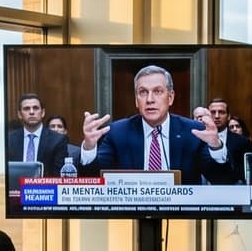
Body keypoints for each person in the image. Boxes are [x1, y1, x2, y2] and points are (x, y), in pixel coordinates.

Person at [76, 66, 232, 183]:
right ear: (136, 100)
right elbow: (94, 180)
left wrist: (216, 147)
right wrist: (89, 148)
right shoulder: (117, 132)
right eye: (143, 92)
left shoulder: (193, 132)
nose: (150, 99)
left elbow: (221, 180)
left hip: (182, 216)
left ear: (170, 98)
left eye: (157, 91)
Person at [5, 92, 68, 179]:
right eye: (26, 109)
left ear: (42, 113)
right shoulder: (9, 139)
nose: (31, 112)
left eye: (35, 108)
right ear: (19, 114)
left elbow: (59, 175)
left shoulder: (57, 140)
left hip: (45, 190)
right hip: (15, 190)